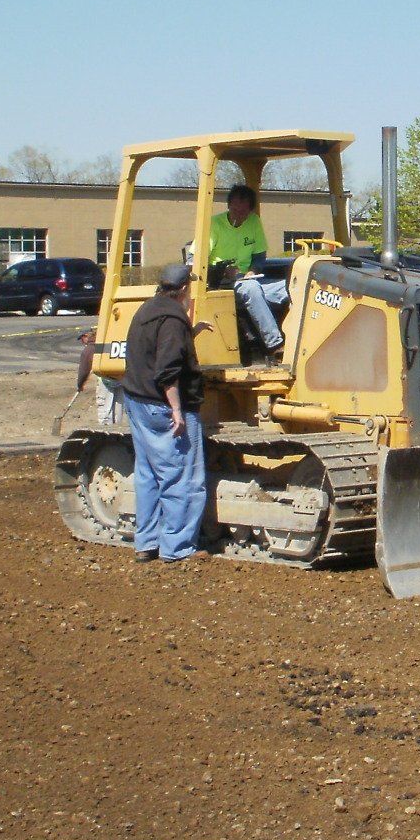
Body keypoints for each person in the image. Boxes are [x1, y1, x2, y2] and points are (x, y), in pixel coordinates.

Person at [120, 263, 207, 562]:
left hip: (137, 400)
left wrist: (190, 334)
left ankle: (146, 543)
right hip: (161, 406)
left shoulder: (146, 311)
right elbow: (167, 369)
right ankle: (177, 548)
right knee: (181, 477)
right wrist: (177, 410)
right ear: (183, 289)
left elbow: (154, 350)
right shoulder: (172, 319)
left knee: (147, 474)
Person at [210, 183, 287, 359]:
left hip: (248, 279)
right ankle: (274, 344)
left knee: (290, 286)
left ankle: (296, 338)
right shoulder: (214, 225)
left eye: (243, 212)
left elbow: (259, 256)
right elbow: (196, 260)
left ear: (250, 211)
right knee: (252, 289)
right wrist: (222, 272)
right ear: (229, 205)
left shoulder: (253, 222)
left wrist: (253, 270)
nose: (238, 216)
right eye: (235, 210)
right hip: (222, 283)